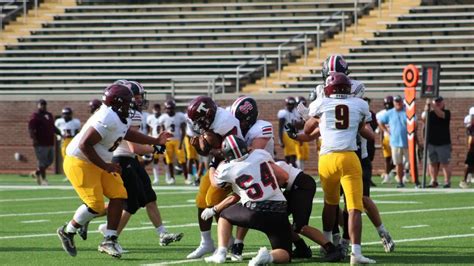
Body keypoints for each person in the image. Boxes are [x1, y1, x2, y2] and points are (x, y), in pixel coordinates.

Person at [56, 84, 171, 259]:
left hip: (100, 162)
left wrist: (155, 140)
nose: (131, 105)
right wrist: (107, 166)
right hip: (79, 161)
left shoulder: (120, 115)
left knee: (119, 194)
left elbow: (126, 134)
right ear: (117, 104)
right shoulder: (107, 117)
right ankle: (68, 230)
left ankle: (109, 239)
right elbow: (84, 145)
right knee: (95, 205)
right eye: (127, 103)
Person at [97, 80, 183, 249]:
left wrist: (153, 146)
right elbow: (134, 146)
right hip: (123, 160)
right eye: (136, 96)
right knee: (131, 204)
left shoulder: (128, 113)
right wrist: (155, 147)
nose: (139, 100)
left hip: (130, 160)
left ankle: (162, 233)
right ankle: (108, 236)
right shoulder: (131, 115)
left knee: (150, 198)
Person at [305, 72, 375, 264]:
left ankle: (326, 242)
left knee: (330, 203)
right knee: (354, 208)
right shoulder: (360, 104)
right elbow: (362, 127)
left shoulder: (321, 103)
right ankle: (356, 254)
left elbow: (306, 129)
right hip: (349, 157)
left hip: (326, 158)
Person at [204, 135, 292, 265]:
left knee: (224, 216)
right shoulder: (261, 154)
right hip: (279, 209)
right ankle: (268, 257)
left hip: (254, 211)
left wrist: (212, 165)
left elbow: (215, 183)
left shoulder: (226, 169)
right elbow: (284, 177)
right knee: (285, 254)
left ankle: (221, 252)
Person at [186, 96, 243, 259]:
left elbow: (225, 150)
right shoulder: (212, 121)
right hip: (218, 162)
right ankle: (206, 243)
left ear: (209, 113)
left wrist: (207, 149)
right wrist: (198, 147)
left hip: (231, 162)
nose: (199, 124)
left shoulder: (223, 122)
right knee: (201, 199)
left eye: (200, 119)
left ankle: (226, 243)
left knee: (213, 200)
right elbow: (207, 151)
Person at [378, 95, 417, 188]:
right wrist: (386, 131)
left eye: (399, 101)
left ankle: (414, 179)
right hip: (395, 142)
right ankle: (400, 181)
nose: (398, 103)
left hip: (408, 142)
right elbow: (380, 121)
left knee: (409, 163)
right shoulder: (390, 113)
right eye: (396, 102)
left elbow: (415, 123)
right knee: (398, 163)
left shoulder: (407, 112)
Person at [422, 97, 452, 188]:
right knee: (432, 163)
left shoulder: (447, 112)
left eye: (439, 102)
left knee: (445, 163)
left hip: (443, 143)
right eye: (436, 102)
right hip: (431, 142)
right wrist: (427, 106)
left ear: (443, 103)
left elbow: (440, 115)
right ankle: (433, 180)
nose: (438, 103)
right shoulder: (430, 114)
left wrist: (433, 105)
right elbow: (423, 119)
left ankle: (447, 181)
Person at [28, 99, 58, 186]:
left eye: (44, 104)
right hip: (40, 143)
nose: (43, 106)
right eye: (41, 104)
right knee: (42, 162)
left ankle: (37, 172)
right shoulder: (35, 116)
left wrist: (60, 133)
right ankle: (43, 180)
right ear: (38, 105)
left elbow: (53, 127)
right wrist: (34, 139)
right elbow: (31, 128)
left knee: (50, 160)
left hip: (50, 142)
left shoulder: (49, 115)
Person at [159, 99, 189, 185]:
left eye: (171, 108)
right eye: (168, 108)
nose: (169, 110)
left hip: (177, 140)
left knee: (182, 160)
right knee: (169, 161)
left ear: (174, 108)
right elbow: (162, 131)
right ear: (165, 109)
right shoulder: (163, 118)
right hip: (168, 141)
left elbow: (183, 131)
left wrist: (181, 142)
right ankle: (172, 178)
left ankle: (186, 178)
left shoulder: (180, 116)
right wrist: (162, 142)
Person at [376, 96, 395, 184]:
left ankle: (388, 173)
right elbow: (379, 130)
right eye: (386, 104)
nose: (388, 106)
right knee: (387, 158)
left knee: (396, 159)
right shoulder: (381, 114)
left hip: (396, 138)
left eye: (389, 104)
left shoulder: (396, 112)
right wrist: (381, 141)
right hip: (386, 138)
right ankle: (387, 175)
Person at [147, 103, 166, 185]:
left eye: (158, 108)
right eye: (155, 109)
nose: (156, 110)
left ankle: (168, 177)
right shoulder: (150, 118)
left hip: (162, 140)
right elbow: (150, 128)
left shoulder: (163, 117)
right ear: (153, 110)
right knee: (155, 159)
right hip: (154, 140)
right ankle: (156, 178)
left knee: (165, 159)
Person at [277, 97, 299, 167]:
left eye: (292, 105)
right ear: (286, 105)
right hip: (287, 135)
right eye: (289, 104)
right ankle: (295, 170)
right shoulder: (283, 113)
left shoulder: (294, 112)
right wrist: (280, 140)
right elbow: (280, 127)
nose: (291, 106)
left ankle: (287, 169)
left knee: (289, 156)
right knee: (292, 156)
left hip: (293, 134)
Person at [184, 112, 200, 185]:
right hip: (189, 137)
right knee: (190, 158)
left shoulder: (199, 116)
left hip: (197, 138)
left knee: (197, 158)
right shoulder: (187, 116)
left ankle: (197, 175)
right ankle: (189, 177)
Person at [294, 96, 310, 171]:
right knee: (299, 156)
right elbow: (296, 124)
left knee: (304, 156)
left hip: (303, 134)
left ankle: (302, 170)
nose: (302, 106)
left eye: (304, 104)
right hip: (298, 134)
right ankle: (299, 171)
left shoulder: (306, 111)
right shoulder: (295, 112)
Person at [460, 118, 474, 188]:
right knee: (468, 165)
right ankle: (464, 180)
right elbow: (470, 140)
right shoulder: (470, 128)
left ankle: (469, 177)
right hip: (472, 149)